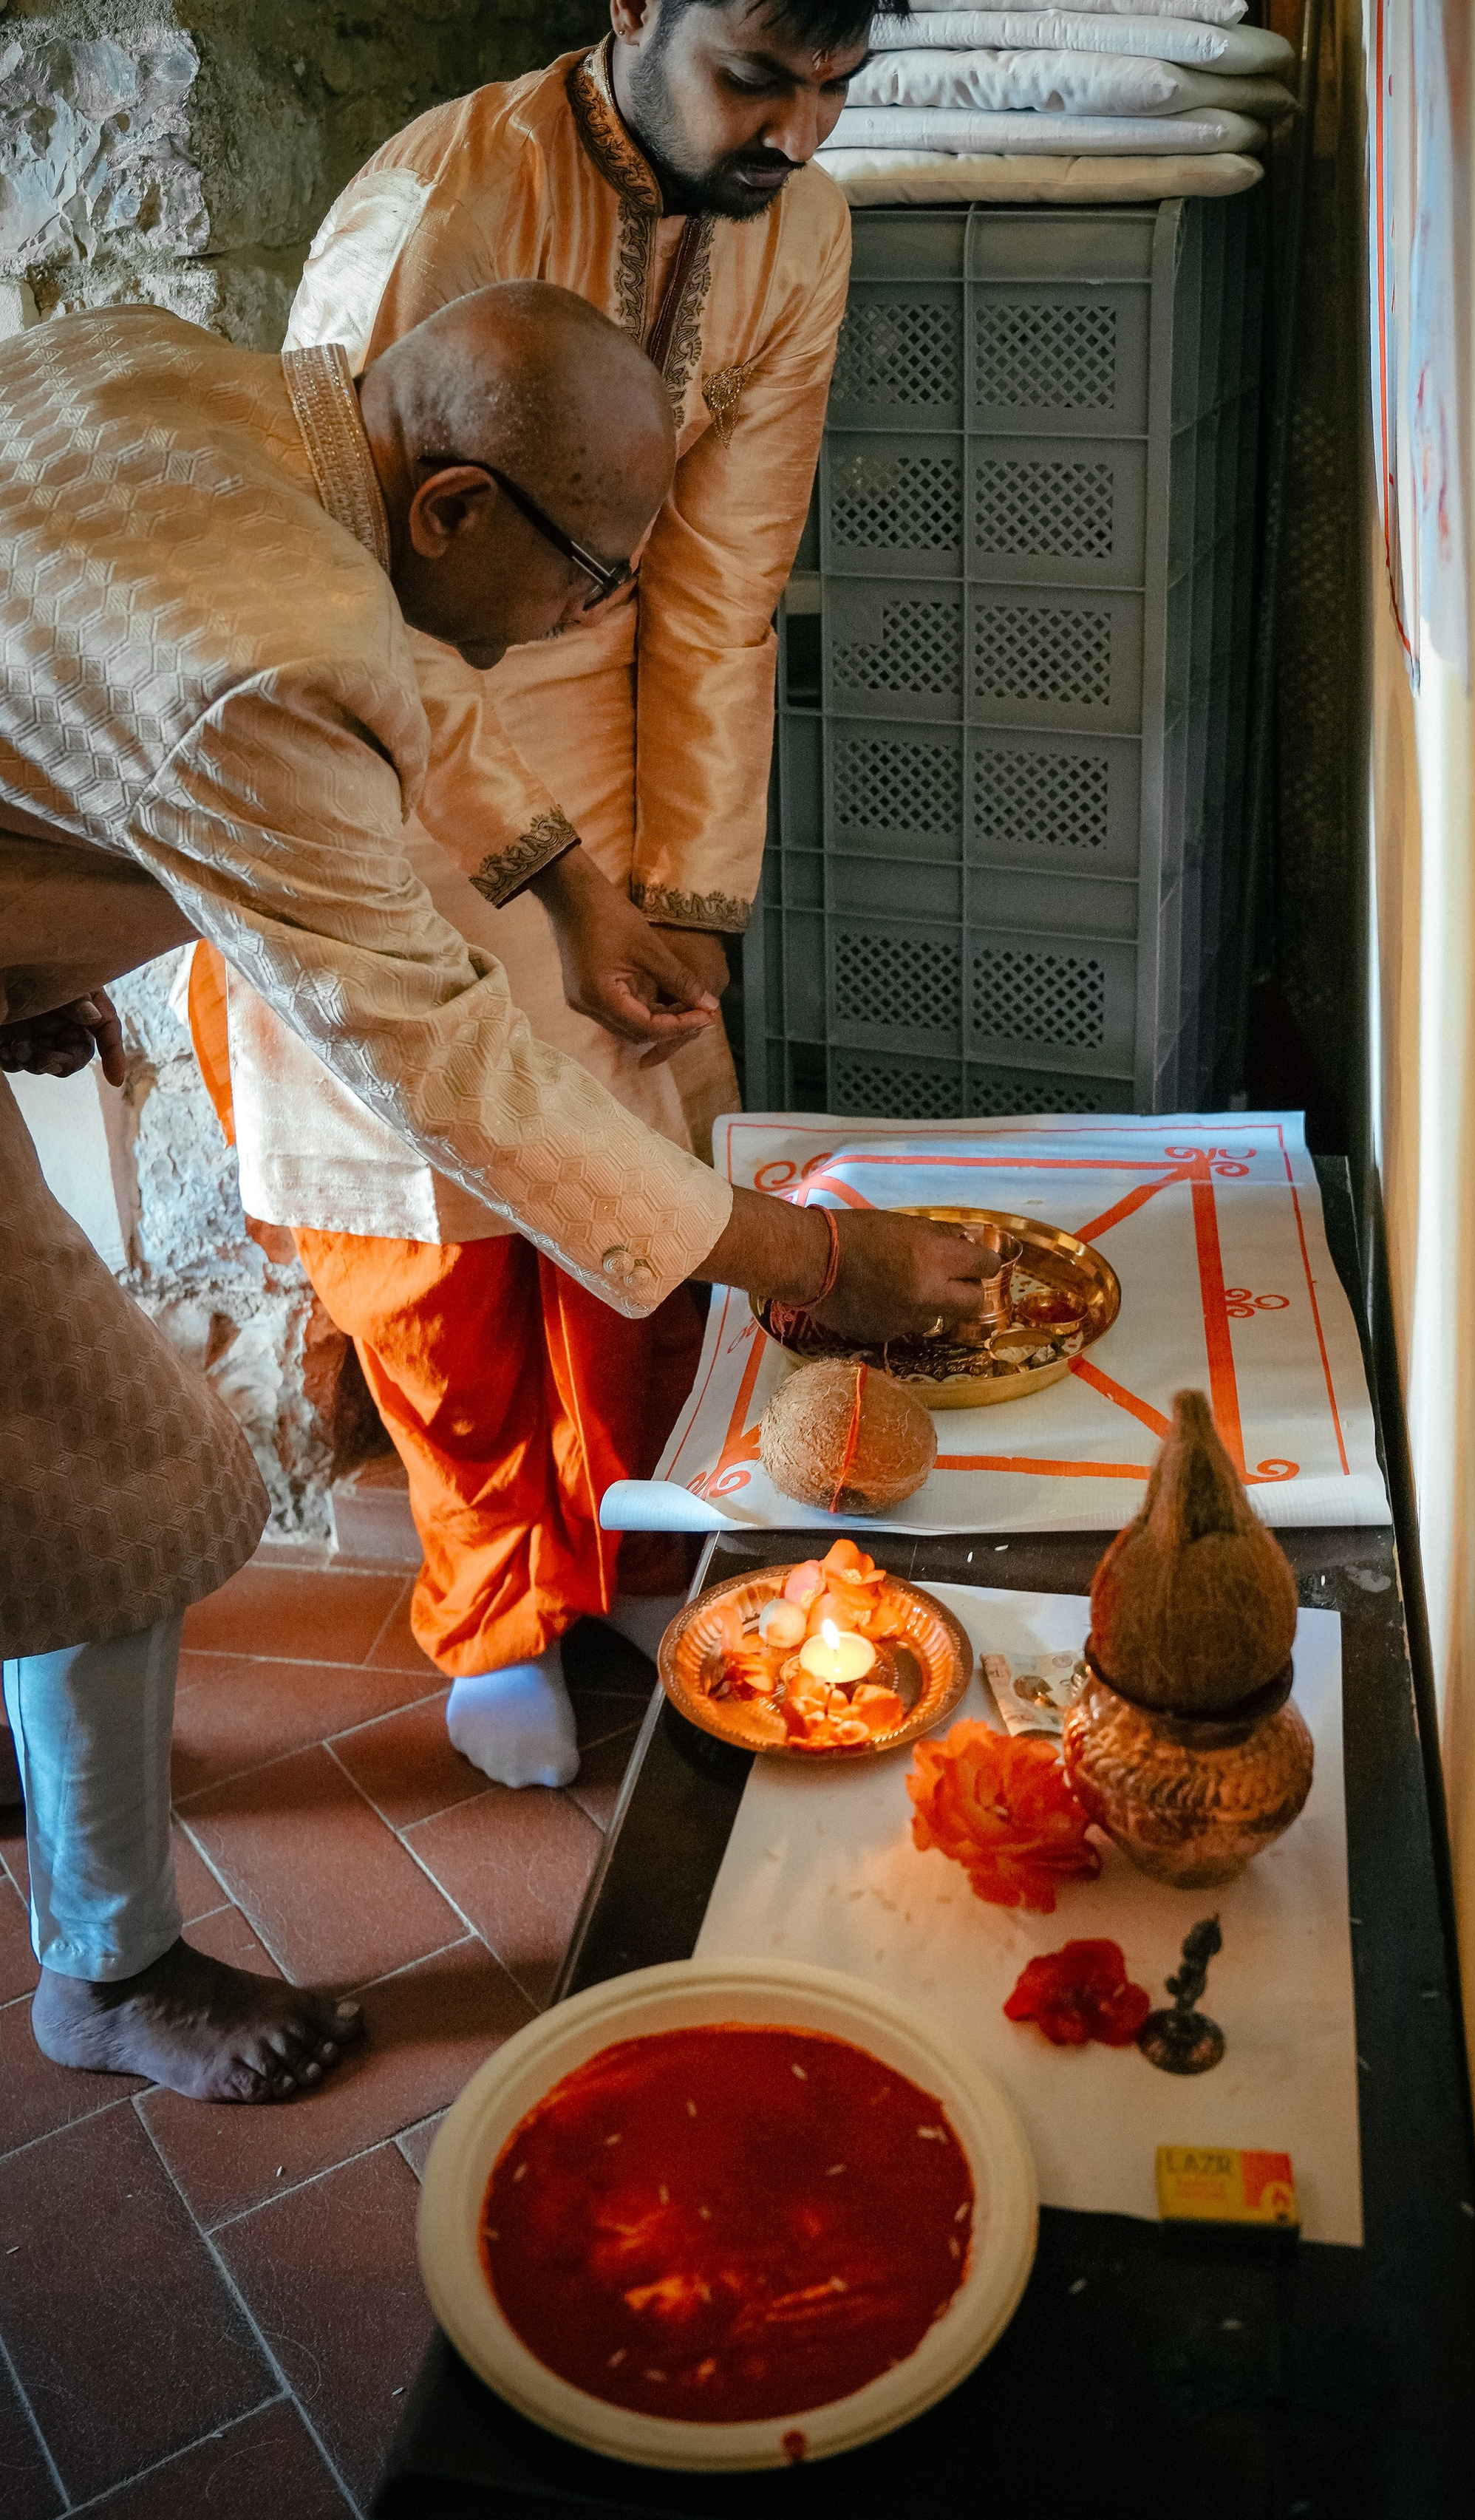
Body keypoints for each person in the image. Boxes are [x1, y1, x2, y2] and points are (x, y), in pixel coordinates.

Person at [0, 279, 992, 2105]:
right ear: (455, 506)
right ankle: (110, 1963)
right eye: (588, 580)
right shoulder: (266, 651)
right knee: (116, 1484)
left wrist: (568, 887)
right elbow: (438, 1060)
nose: (586, 618)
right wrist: (813, 1254)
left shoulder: (220, 406)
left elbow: (402, 675)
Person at [191, 0, 896, 1794]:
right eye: (757, 74)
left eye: (836, 87)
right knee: (428, 1241)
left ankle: (635, 1553)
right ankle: (498, 1600)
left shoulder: (799, 230)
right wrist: (534, 868)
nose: (800, 136)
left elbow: (726, 583)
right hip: (376, 745)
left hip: (626, 770)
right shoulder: (436, 190)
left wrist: (687, 887)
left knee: (632, 1205)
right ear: (634, 11)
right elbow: (341, 564)